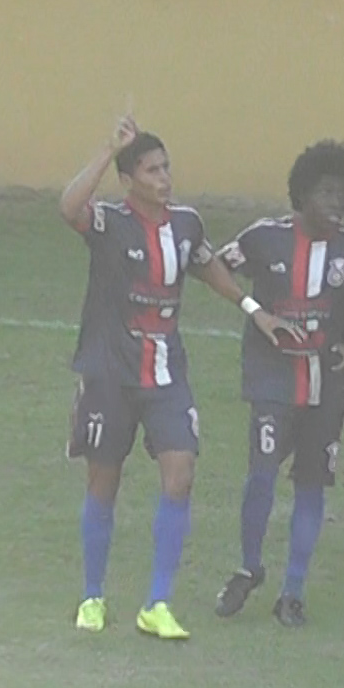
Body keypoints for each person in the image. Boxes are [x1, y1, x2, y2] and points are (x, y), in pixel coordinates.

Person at [60, 115, 297, 641]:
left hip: (165, 372)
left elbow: (207, 264)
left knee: (181, 473)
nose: (164, 177)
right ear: (128, 180)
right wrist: (107, 149)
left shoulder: (186, 224)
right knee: (104, 482)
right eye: (151, 169)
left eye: (166, 167)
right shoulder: (108, 222)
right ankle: (92, 596)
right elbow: (68, 207)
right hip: (107, 373)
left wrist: (254, 308)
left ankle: (157, 603)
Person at [213, 140, 344, 627]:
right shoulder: (263, 238)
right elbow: (209, 266)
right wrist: (254, 311)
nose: (337, 203)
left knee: (312, 485)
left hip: (327, 386)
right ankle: (249, 566)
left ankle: (292, 591)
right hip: (273, 379)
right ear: (301, 193)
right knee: (261, 473)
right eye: (325, 192)